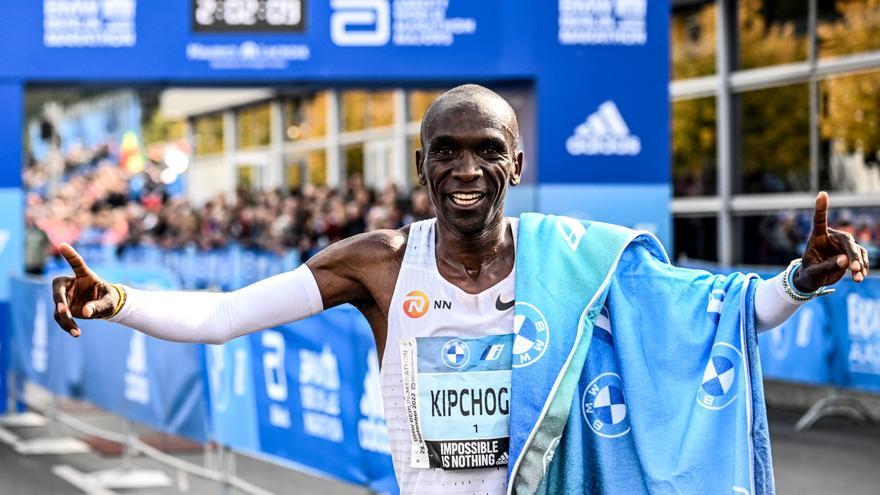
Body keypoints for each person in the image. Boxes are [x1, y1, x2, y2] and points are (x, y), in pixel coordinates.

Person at [52, 85, 870, 494]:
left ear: (517, 165)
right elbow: (226, 316)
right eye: (446, 151)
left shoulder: (578, 263)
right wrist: (117, 299)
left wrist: (800, 280)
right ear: (422, 166)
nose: (466, 169)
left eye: (486, 151)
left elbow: (714, 317)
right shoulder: (376, 263)